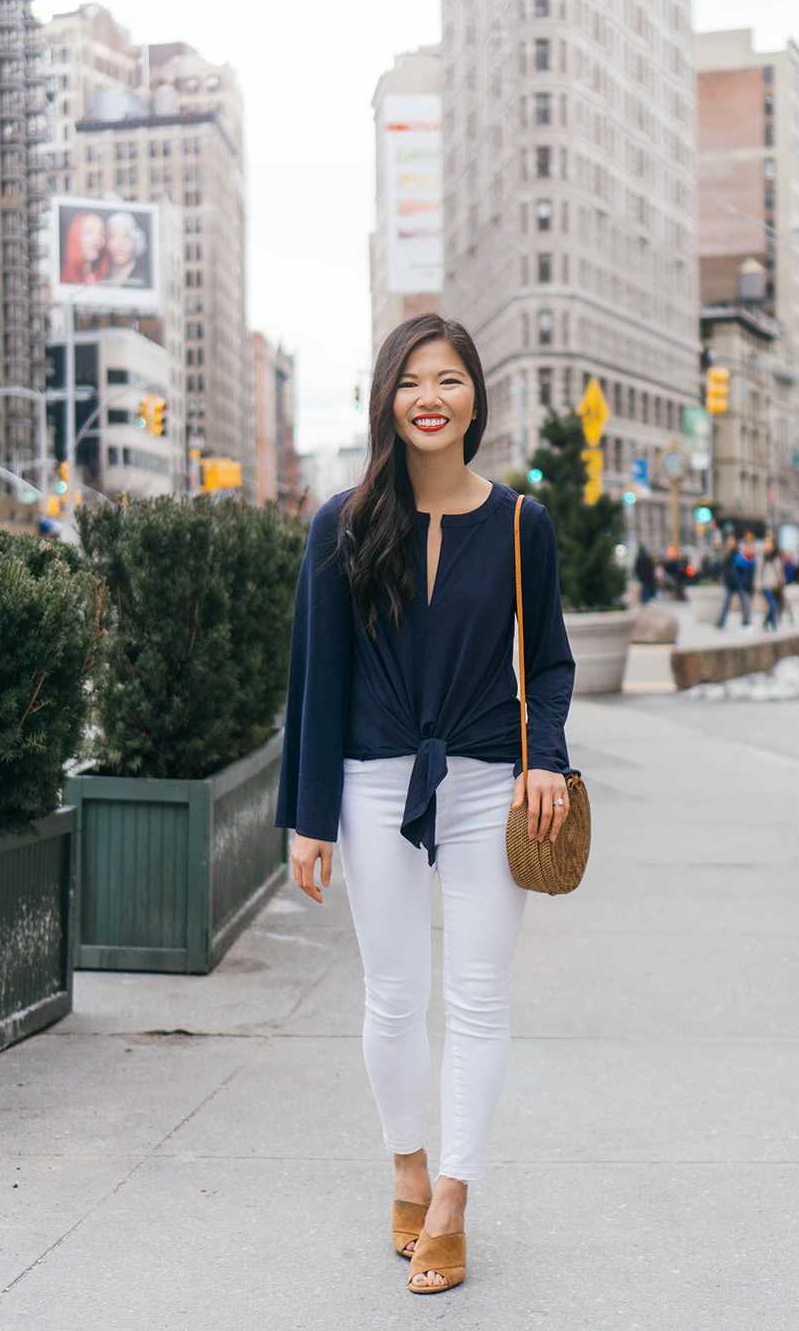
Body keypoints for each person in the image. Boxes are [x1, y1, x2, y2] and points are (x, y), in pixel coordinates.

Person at [275, 313, 574, 1295]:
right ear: (386, 401)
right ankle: (406, 1163)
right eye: (411, 381)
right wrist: (307, 816)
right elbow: (315, 678)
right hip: (370, 779)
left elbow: (551, 663)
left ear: (475, 397)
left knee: (477, 997)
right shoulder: (342, 522)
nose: (430, 397)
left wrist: (544, 757)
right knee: (394, 993)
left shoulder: (523, 523)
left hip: (490, 779)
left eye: (448, 379)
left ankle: (450, 1196)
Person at [717, 532, 755, 630]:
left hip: (739, 582)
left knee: (744, 602)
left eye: (731, 541)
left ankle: (746, 621)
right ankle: (721, 622)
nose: (730, 543)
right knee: (726, 603)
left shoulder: (738, 554)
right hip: (730, 582)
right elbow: (724, 567)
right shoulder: (727, 554)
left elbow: (745, 565)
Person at [103, 211, 150, 286]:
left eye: (126, 236)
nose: (120, 244)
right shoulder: (101, 275)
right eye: (113, 237)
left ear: (135, 241)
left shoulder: (142, 281)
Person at [60, 211, 107, 285]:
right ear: (75, 237)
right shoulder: (60, 276)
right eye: (88, 232)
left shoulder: (104, 278)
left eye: (101, 233)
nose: (98, 239)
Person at [756, 532, 785, 632]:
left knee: (774, 606)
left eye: (769, 543)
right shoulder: (763, 557)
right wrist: (758, 585)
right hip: (766, 585)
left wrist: (782, 582)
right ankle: (774, 625)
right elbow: (759, 572)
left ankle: (766, 622)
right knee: (773, 605)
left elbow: (780, 571)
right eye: (766, 543)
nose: (767, 545)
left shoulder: (777, 557)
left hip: (776, 586)